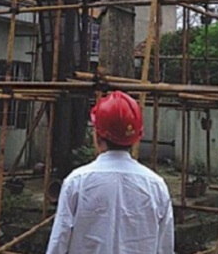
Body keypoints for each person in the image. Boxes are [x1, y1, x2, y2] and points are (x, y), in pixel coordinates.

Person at [46, 90, 174, 254]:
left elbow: (58, 245)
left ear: (97, 134)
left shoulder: (77, 182)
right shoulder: (156, 186)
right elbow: (165, 248)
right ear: (136, 137)